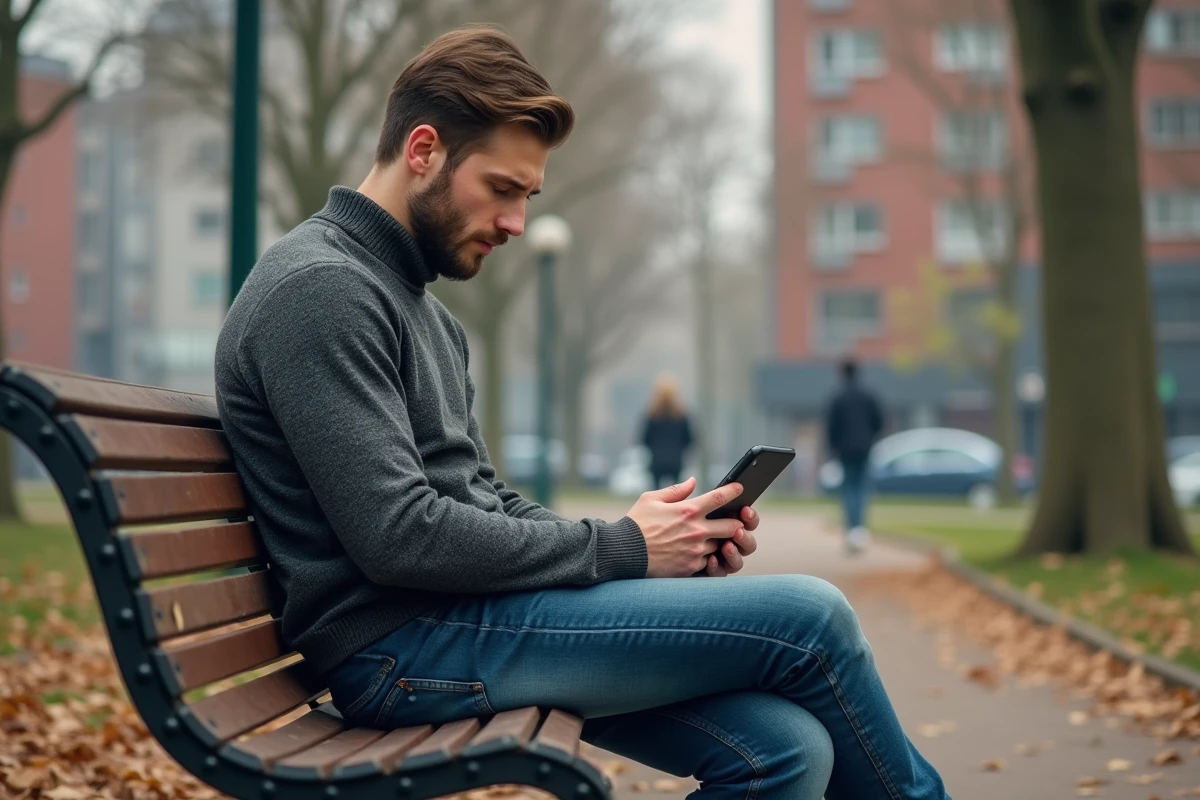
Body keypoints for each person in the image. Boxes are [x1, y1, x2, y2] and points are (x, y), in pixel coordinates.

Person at [214, 25, 949, 800]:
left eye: (527, 198)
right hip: (403, 648)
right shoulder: (322, 290)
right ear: (423, 150)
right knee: (814, 616)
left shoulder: (424, 313)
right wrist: (623, 548)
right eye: (501, 189)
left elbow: (485, 498)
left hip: (464, 622)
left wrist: (661, 546)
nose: (515, 224)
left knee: (785, 748)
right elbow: (399, 536)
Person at [825, 358, 885, 554]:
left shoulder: (838, 398)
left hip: (845, 450)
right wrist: (870, 438)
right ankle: (860, 529)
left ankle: (852, 529)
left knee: (849, 489)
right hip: (865, 449)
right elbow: (879, 422)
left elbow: (831, 427)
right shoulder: (869, 396)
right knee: (861, 489)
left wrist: (832, 449)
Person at [640, 375, 694, 489]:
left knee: (655, 492)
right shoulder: (681, 416)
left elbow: (644, 439)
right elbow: (689, 439)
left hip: (657, 460)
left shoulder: (652, 415)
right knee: (676, 492)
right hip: (675, 461)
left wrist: (654, 449)